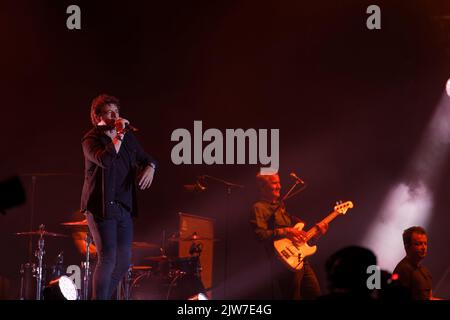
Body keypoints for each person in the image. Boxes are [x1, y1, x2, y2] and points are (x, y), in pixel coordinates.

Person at [80, 94, 157, 300]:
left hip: (123, 207)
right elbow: (105, 159)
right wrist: (119, 135)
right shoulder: (91, 139)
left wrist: (151, 166)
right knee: (108, 259)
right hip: (101, 207)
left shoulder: (128, 137)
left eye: (117, 112)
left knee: (123, 263)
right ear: (98, 117)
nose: (115, 116)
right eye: (109, 113)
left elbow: (146, 157)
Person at [250, 172, 327, 299]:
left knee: (315, 294)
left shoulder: (281, 208)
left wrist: (316, 234)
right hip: (283, 262)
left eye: (279, 182)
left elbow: (298, 234)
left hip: (301, 259)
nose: (279, 186)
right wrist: (286, 231)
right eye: (274, 183)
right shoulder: (258, 208)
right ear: (262, 186)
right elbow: (260, 235)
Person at [393, 226, 441, 300]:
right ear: (407, 247)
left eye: (425, 243)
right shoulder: (403, 270)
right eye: (418, 244)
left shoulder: (425, 271)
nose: (423, 247)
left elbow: (429, 298)